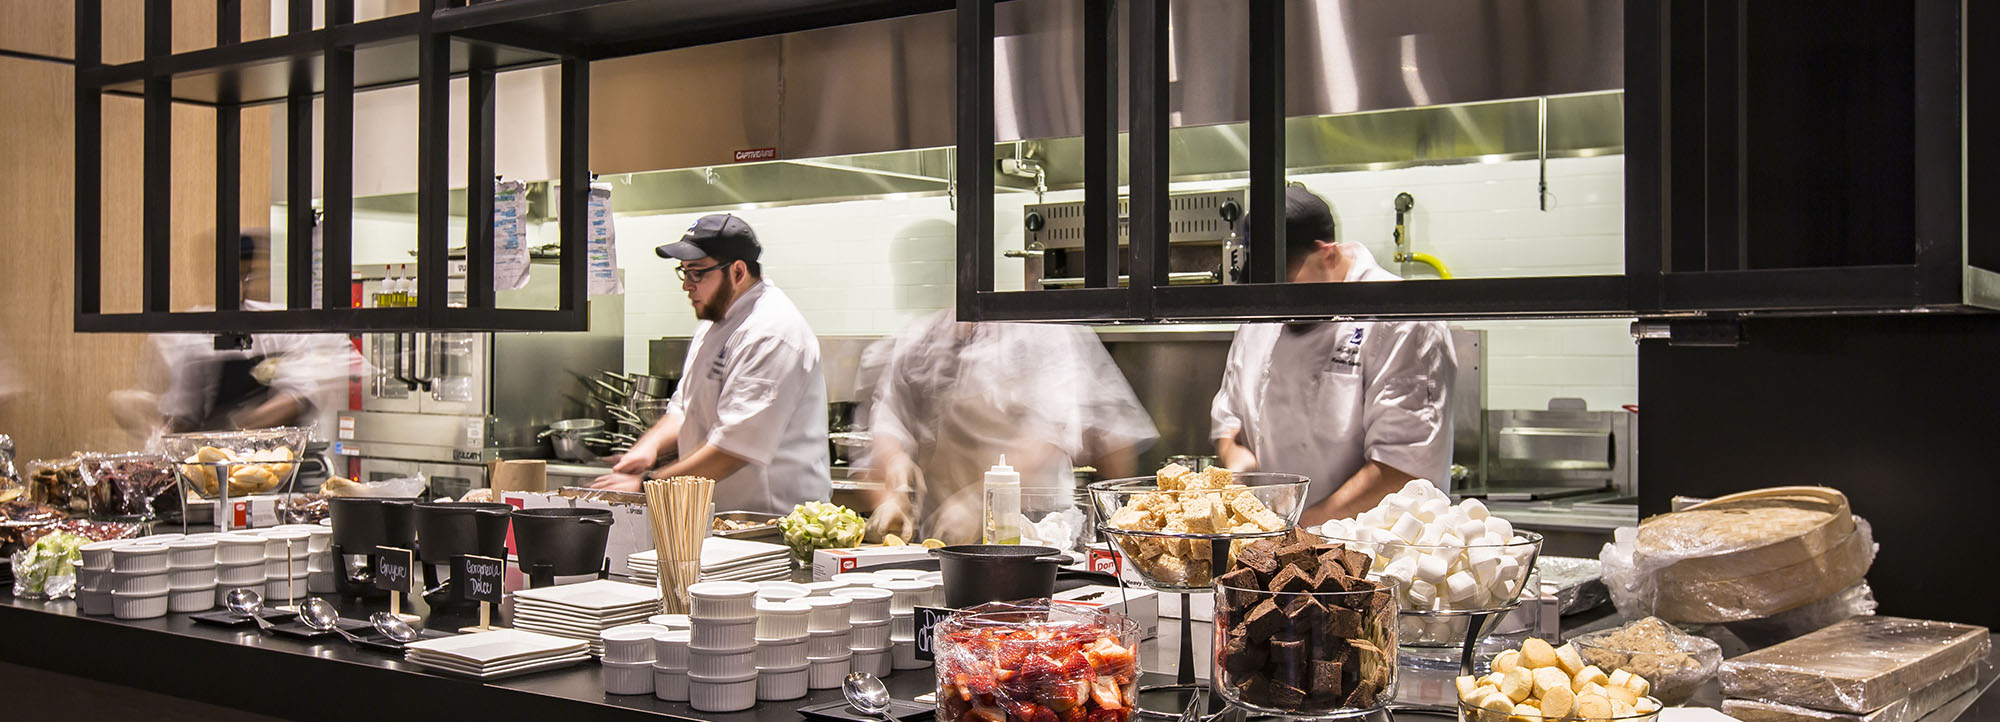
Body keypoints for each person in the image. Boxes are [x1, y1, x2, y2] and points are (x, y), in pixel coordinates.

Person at [1211, 186, 1456, 526]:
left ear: (1327, 255)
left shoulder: (1400, 319)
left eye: (1287, 282)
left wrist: (1296, 534)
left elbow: (1403, 471)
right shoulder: (1264, 313)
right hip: (1274, 549)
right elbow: (1230, 419)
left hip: (1373, 558)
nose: (1277, 304)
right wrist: (1235, 459)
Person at [591, 214, 830, 515]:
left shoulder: (771, 333)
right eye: (684, 273)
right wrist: (647, 447)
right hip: (720, 520)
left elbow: (733, 450)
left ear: (738, 272)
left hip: (769, 524)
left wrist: (647, 486)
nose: (687, 287)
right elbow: (683, 409)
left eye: (697, 274)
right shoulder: (714, 325)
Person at [857, 311, 1158, 545]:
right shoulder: (923, 335)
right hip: (939, 538)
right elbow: (890, 418)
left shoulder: (1042, 333)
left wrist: (982, 502)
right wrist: (893, 489)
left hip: (1034, 535)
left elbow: (1049, 431)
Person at [152, 230, 352, 437]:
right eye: (232, 277)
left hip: (279, 457)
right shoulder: (196, 336)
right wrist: (159, 434)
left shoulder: (279, 326)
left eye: (245, 276)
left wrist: (236, 428)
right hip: (215, 458)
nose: (240, 286)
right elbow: (185, 414)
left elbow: (298, 397)